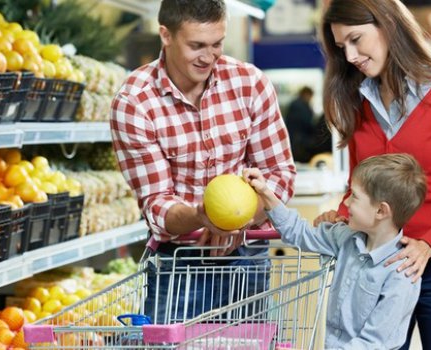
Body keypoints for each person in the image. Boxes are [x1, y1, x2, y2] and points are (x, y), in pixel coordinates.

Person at [315, 1, 431, 349]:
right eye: (342, 48)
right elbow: (360, 185)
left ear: (387, 24)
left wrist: (429, 245)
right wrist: (342, 214)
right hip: (375, 267)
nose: (351, 56)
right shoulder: (359, 100)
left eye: (356, 39)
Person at [110, 0, 296, 324]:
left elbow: (279, 175)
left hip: (247, 259)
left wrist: (236, 220)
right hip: (179, 266)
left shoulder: (249, 83)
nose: (209, 57)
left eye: (217, 44)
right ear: (166, 35)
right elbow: (157, 204)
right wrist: (202, 216)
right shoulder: (135, 102)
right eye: (196, 45)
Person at [245, 153, 427, 349]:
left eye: (354, 196)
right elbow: (299, 232)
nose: (346, 203)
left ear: (381, 211)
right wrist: (265, 192)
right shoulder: (345, 237)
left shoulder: (402, 275)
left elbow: (374, 343)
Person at [285, 86, 316, 163]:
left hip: (294, 138)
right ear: (306, 94)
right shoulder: (301, 106)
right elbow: (307, 123)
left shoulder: (295, 104)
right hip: (300, 140)